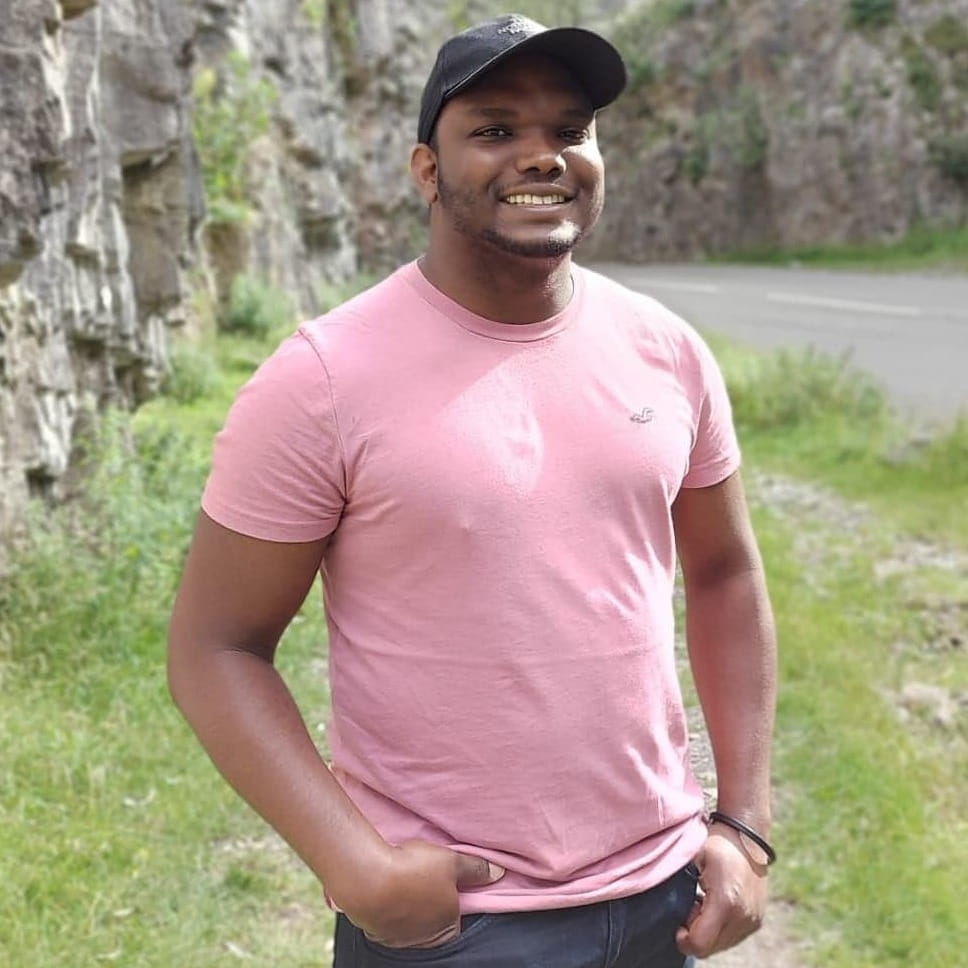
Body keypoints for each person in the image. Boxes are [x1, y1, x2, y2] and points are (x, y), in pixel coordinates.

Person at [168, 13, 777, 968]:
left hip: (663, 899)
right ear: (427, 170)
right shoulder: (322, 379)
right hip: (458, 926)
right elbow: (216, 648)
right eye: (495, 130)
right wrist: (355, 867)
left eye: (570, 130)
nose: (542, 156)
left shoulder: (667, 350)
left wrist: (744, 824)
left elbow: (726, 574)